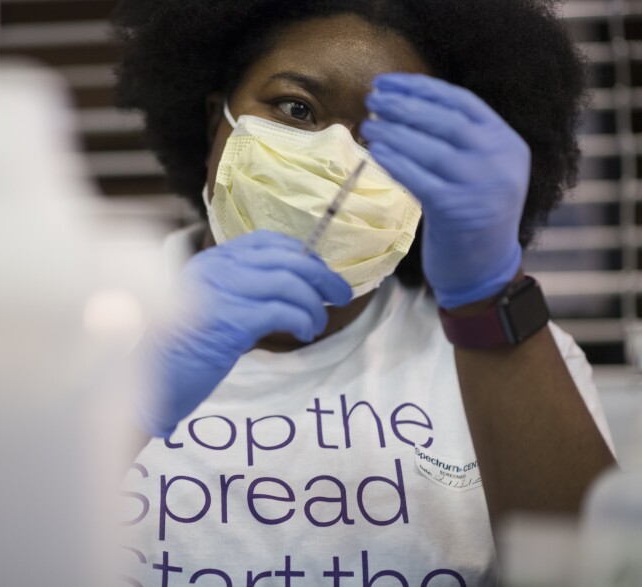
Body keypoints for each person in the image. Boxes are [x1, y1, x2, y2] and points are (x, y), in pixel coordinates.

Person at [114, 1, 617, 584]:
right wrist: (130, 398)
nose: (338, 162)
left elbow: (600, 572)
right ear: (215, 123)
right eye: (296, 108)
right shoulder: (82, 321)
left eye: (384, 142)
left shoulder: (510, 360)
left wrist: (488, 299)